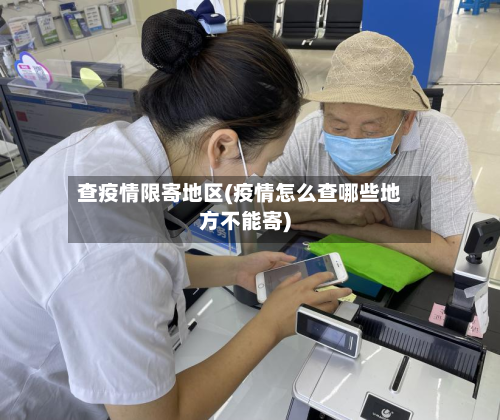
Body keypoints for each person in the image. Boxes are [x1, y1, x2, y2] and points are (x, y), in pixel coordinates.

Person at [0, 10, 351, 420]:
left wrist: (234, 269)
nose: (262, 174)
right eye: (267, 161)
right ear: (222, 146)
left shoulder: (106, 143)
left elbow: (142, 262)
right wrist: (271, 325)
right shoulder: (117, 249)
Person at [265, 31, 476, 275]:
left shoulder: (439, 140)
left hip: (402, 276)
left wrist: (360, 230)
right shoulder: (308, 133)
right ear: (323, 111)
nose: (352, 139)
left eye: (371, 131)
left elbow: (458, 255)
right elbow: (248, 203)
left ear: (407, 120)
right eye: (338, 127)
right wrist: (330, 206)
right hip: (321, 263)